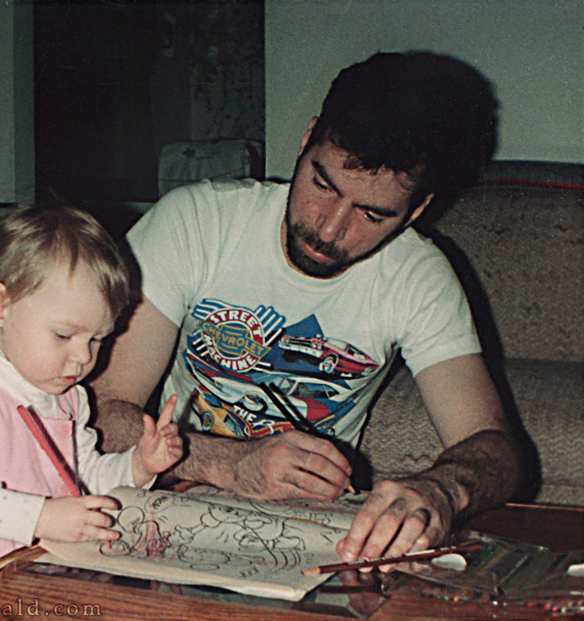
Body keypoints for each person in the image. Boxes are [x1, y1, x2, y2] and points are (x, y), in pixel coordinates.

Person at [90, 51, 522, 567]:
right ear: (307, 139)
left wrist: (441, 491)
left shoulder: (417, 277)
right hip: (169, 499)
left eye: (372, 214)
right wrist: (227, 463)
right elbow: (98, 411)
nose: (329, 229)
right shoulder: (196, 222)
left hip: (305, 535)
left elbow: (494, 447)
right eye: (323, 184)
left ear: (416, 211)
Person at [0, 206, 183, 618]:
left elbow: (81, 483)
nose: (83, 357)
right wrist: (38, 517)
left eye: (97, 339)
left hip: (29, 593)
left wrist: (137, 466)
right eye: (64, 335)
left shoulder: (68, 397)